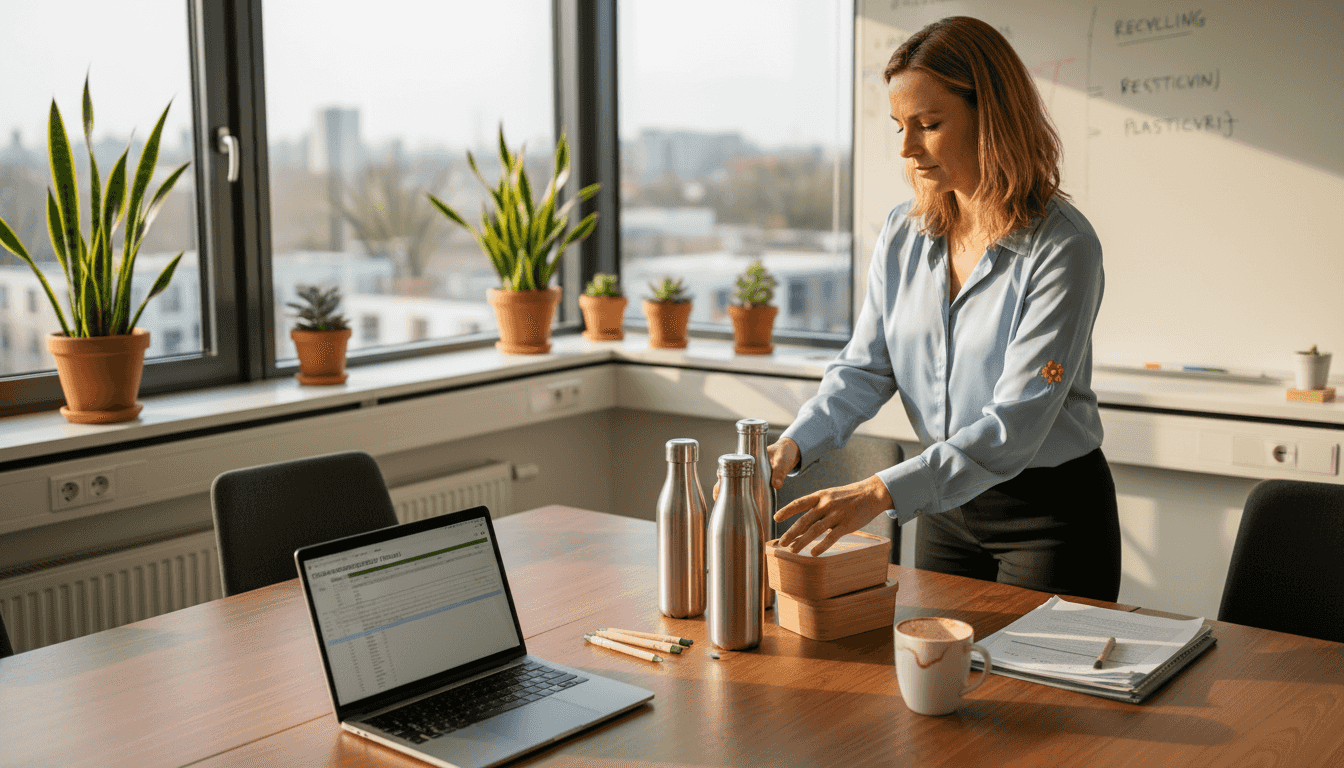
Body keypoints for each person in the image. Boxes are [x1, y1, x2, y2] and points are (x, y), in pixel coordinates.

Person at [766, 16, 1121, 602]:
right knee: (937, 686)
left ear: (993, 119)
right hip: (941, 505)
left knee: (1035, 695)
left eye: (928, 125)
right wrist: (793, 445)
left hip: (1049, 518)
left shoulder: (1064, 247)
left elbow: (1017, 422)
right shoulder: (903, 235)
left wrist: (879, 492)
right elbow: (865, 370)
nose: (906, 149)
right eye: (899, 126)